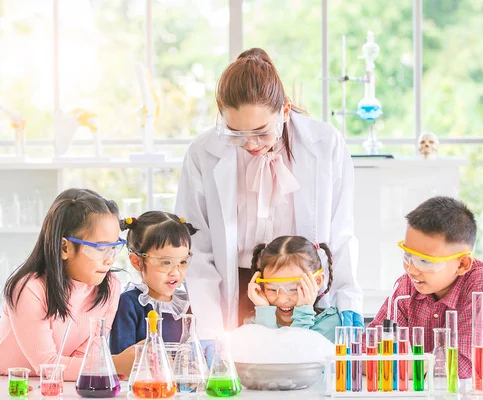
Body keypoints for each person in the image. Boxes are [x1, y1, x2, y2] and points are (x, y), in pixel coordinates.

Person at [175, 48, 363, 346]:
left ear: (285, 110)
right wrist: (209, 330)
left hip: (302, 291)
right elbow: (197, 248)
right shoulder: (203, 153)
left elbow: (341, 232)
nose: (250, 144)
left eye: (261, 132)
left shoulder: (325, 144)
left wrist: (348, 300)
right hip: (237, 288)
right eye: (236, 133)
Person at [367, 196, 483, 377]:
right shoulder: (406, 287)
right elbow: (369, 347)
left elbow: (464, 364)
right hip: (451, 386)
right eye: (408, 256)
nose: (412, 270)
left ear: (463, 264)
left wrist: (402, 366)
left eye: (425, 261)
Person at [0, 188, 135, 381]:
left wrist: (100, 366)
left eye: (114, 247)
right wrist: (115, 364)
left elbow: (86, 357)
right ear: (65, 247)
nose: (109, 260)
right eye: (101, 248)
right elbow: (47, 364)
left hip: (61, 382)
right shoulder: (29, 289)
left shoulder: (110, 286)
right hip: (10, 384)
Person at [110, 211, 197, 354]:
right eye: (166, 262)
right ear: (137, 261)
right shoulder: (129, 304)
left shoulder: (185, 305)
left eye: (182, 262)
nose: (175, 272)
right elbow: (122, 362)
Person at [245, 236, 341, 342]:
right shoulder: (254, 323)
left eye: (293, 289)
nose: (282, 299)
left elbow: (292, 354)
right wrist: (263, 312)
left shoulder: (330, 324)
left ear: (317, 282)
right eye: (272, 289)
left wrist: (303, 315)